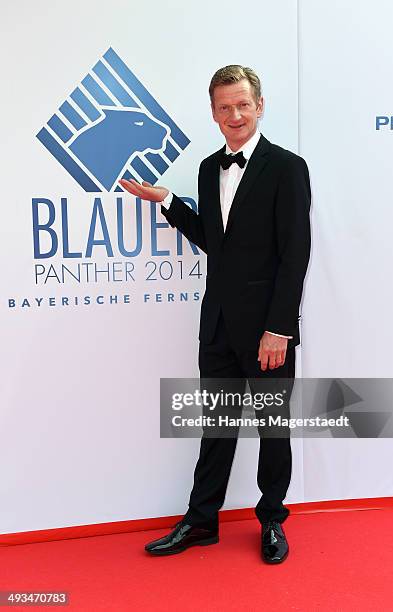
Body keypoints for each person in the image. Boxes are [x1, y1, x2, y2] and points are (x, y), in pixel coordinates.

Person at [120, 65, 311, 564]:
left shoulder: (287, 167)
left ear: (260, 105)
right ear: (213, 113)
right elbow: (215, 243)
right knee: (217, 428)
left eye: (243, 104)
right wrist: (167, 201)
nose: (235, 115)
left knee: (273, 429)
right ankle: (202, 520)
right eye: (224, 107)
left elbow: (296, 255)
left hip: (269, 331)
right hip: (219, 326)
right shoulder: (208, 169)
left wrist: (279, 328)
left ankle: (272, 520)